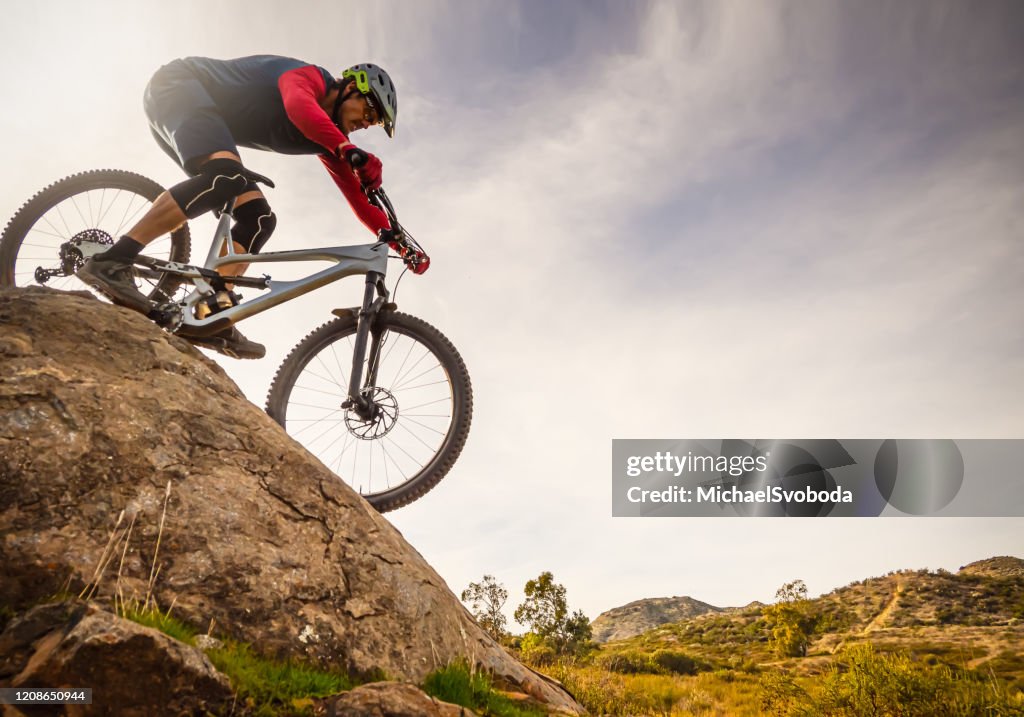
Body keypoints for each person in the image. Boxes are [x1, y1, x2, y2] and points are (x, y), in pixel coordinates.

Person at [77, 55, 401, 359]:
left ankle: (210, 311)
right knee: (226, 176)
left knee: (258, 218)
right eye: (370, 113)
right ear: (351, 87)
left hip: (199, 117)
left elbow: (359, 199)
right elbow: (298, 104)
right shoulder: (312, 78)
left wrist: (400, 243)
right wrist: (347, 148)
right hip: (179, 88)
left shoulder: (330, 140)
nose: (366, 124)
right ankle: (113, 260)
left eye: (373, 123)